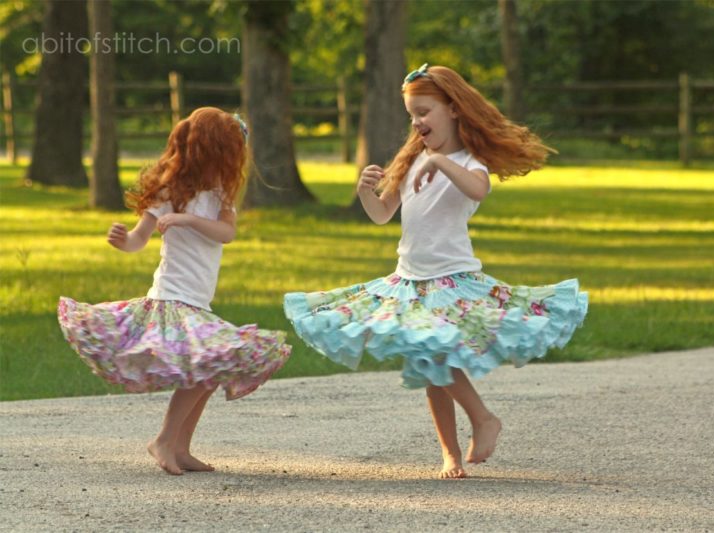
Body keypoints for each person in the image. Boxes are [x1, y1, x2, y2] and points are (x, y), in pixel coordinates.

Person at [284, 64, 588, 479]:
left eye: (424, 112)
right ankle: (450, 455)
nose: (417, 123)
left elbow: (478, 189)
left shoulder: (468, 160)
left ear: (454, 109)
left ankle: (483, 419)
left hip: (452, 281)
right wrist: (363, 191)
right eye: (412, 115)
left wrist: (440, 164)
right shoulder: (412, 159)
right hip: (408, 281)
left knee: (432, 355)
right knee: (428, 363)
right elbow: (382, 214)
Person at [58, 107, 291, 476]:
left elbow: (226, 234)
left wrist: (187, 219)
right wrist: (124, 242)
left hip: (199, 300)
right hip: (172, 296)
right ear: (208, 153)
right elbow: (139, 240)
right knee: (204, 368)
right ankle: (165, 440)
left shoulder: (218, 196)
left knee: (209, 371)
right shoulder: (168, 192)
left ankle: (180, 447)